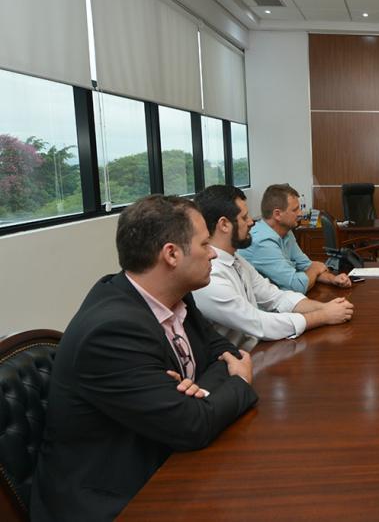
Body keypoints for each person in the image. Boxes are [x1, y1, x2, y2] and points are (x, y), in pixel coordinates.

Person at [31, 195, 259, 521]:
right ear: (171, 254)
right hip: (116, 498)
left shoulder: (176, 296)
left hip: (167, 458)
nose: (212, 253)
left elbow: (223, 353)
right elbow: (193, 424)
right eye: (205, 243)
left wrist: (196, 394)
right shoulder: (111, 331)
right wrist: (239, 381)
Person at [192, 185, 354, 348]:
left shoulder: (237, 260)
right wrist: (323, 315)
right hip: (237, 363)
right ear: (224, 224)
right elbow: (258, 323)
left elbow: (275, 297)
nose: (251, 222)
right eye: (244, 217)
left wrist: (328, 307)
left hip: (258, 350)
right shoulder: (210, 275)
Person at [239, 183, 351, 292]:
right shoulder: (262, 242)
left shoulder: (286, 232)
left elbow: (306, 265)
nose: (300, 213)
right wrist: (315, 268)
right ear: (277, 214)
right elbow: (297, 285)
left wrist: (333, 279)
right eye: (295, 210)